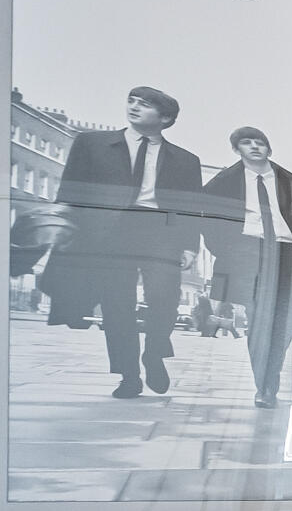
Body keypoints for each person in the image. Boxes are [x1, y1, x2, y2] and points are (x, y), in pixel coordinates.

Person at [42, 86, 206, 398]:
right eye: (131, 101)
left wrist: (189, 245)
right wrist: (64, 223)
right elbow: (71, 188)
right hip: (109, 233)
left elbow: (190, 206)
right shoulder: (91, 143)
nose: (133, 107)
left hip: (160, 232)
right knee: (117, 305)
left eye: (144, 105)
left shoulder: (186, 160)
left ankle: (154, 352)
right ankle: (128, 375)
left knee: (165, 298)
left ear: (166, 118)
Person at [203, 127, 292, 408]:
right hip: (248, 252)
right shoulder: (222, 182)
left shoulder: (289, 180)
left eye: (260, 143)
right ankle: (266, 385)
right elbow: (208, 220)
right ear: (237, 150)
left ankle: (271, 373)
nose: (254, 147)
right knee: (260, 319)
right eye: (246, 143)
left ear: (269, 149)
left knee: (286, 322)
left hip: (286, 252)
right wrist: (227, 252)